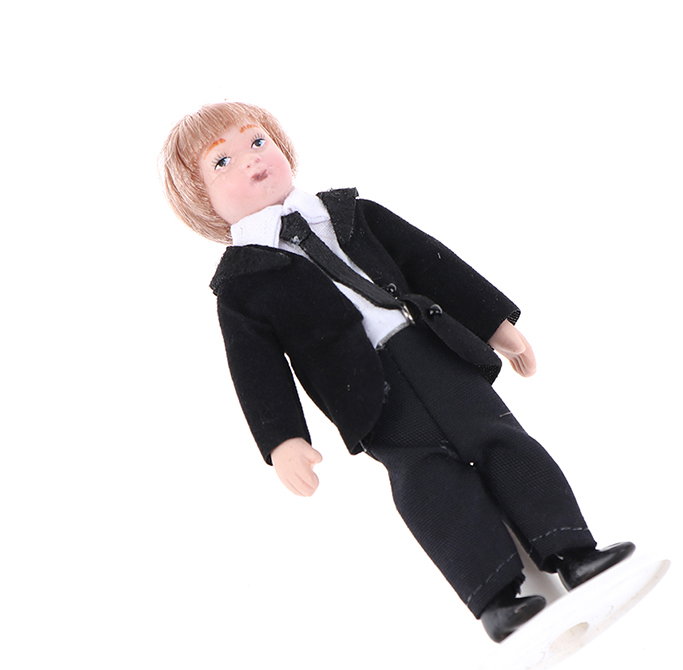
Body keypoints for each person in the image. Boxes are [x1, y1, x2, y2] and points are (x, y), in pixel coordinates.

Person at [160, 101, 634, 642]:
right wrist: (283, 440)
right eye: (222, 162)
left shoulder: (352, 213)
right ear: (202, 200)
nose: (250, 160)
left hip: (431, 348)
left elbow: (432, 263)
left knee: (503, 439)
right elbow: (255, 368)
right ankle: (495, 597)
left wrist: (496, 326)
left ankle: (572, 550)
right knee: (427, 480)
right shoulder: (241, 284)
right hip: (366, 393)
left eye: (257, 141)